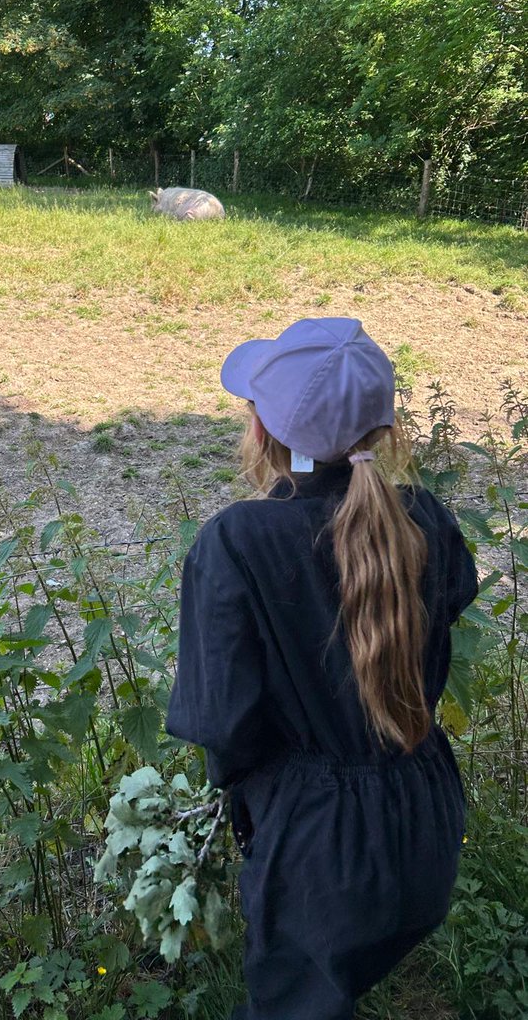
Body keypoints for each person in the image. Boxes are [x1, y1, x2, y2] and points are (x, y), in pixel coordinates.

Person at [166, 317, 478, 1020]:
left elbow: (223, 725)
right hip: (426, 820)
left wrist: (253, 802)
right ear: (382, 431)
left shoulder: (238, 544)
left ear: (262, 431)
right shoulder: (426, 520)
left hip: (319, 853)